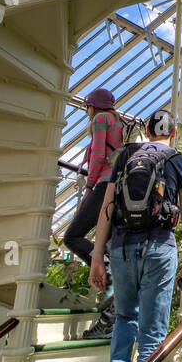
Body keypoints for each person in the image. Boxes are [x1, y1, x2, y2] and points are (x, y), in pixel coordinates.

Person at [89, 108, 182, 362]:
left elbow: (107, 209)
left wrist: (97, 257)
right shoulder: (178, 161)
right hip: (159, 249)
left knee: (125, 316)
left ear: (147, 130)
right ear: (173, 133)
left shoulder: (125, 155)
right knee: (152, 337)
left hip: (122, 247)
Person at [63, 89, 124, 337]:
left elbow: (99, 155)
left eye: (87, 106)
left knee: (72, 236)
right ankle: (110, 316)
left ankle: (106, 276)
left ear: (93, 106)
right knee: (107, 246)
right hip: (118, 189)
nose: (86, 111)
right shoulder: (118, 122)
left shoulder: (101, 120)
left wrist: (89, 187)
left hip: (104, 187)